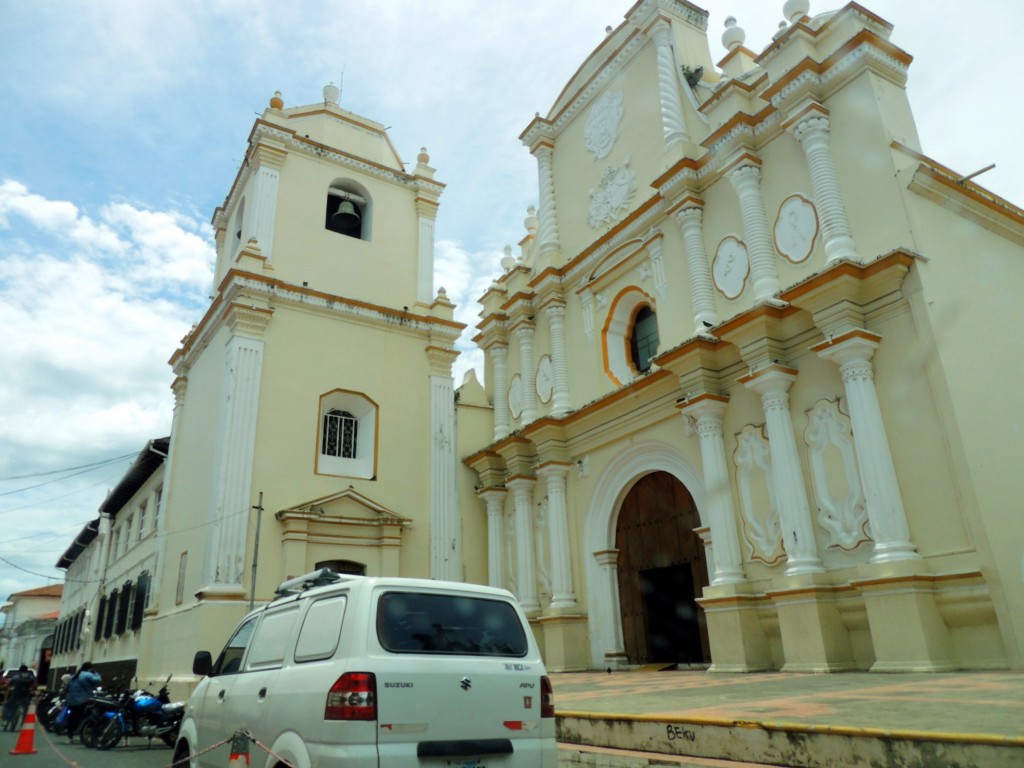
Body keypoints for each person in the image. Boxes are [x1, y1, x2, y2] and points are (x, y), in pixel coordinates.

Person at [64, 662, 101, 743]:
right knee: (83, 718)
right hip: (82, 701)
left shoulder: (73, 677)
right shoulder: (86, 674)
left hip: (71, 701)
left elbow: (67, 688)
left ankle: (70, 736)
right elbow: (98, 679)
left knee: (72, 719)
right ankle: (83, 735)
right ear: (90, 668)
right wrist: (96, 673)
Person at [1, 665, 35, 731]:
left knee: (7, 706)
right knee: (25, 709)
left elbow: (8, 684)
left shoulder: (16, 677)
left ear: (20, 670)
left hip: (16, 695)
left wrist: (2, 687)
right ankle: (23, 722)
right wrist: (32, 689)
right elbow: (34, 686)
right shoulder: (30, 677)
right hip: (25, 696)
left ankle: (6, 721)